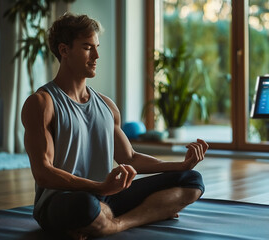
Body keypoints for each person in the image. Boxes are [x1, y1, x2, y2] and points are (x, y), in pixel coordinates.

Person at [21, 13, 208, 239]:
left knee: (192, 180)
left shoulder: (107, 105)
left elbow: (129, 157)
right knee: (84, 206)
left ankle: (113, 223)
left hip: (105, 195)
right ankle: (135, 214)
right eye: (88, 47)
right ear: (64, 50)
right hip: (64, 201)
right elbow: (43, 174)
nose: (97, 56)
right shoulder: (42, 103)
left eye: (97, 47)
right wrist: (98, 188)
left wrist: (180, 166)